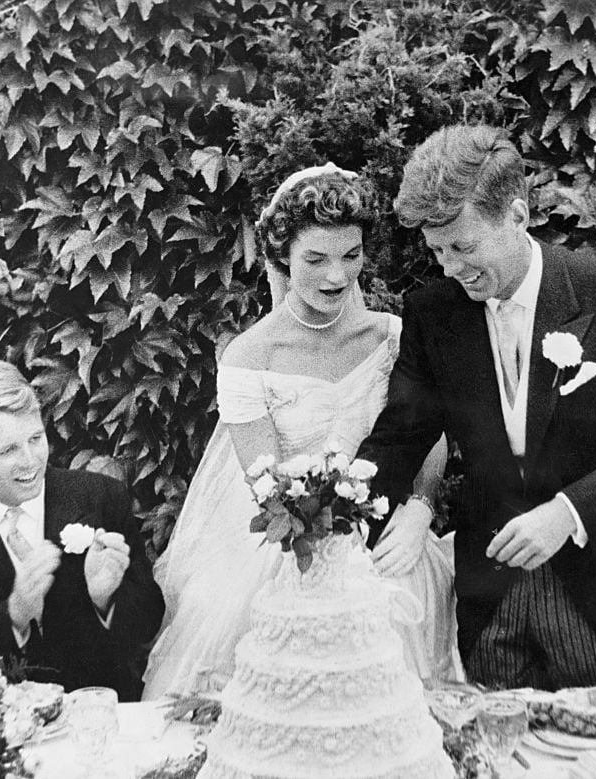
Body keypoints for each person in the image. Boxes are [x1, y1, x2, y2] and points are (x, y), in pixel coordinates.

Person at [357, 124, 596, 704]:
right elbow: (399, 438)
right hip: (493, 607)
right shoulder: (433, 313)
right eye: (436, 251)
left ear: (516, 214)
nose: (448, 268)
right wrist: (334, 513)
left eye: (463, 247)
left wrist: (567, 514)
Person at [143, 165, 460, 700]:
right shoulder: (250, 357)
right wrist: (330, 550)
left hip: (386, 530)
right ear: (282, 256)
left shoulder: (391, 336)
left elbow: (426, 434)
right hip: (288, 540)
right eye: (316, 258)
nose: (337, 276)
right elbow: (265, 484)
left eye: (351, 255)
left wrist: (418, 510)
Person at [0, 359, 164, 700]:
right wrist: (14, 615)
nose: (30, 460)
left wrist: (104, 599)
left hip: (100, 714)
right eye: (7, 450)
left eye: (35, 438)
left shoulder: (100, 496)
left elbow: (149, 620)